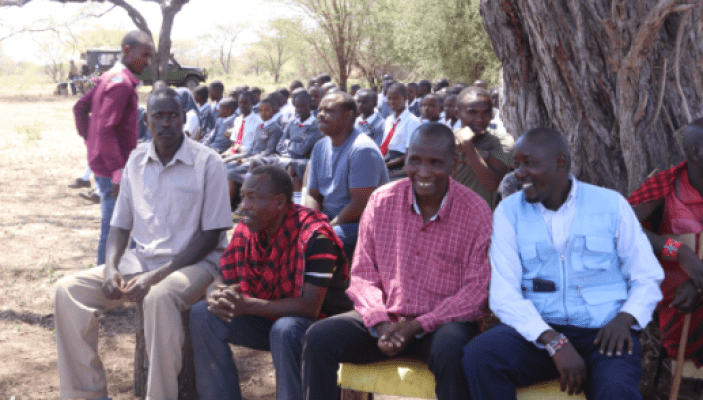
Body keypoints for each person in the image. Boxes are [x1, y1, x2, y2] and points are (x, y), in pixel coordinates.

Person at [55, 87, 233, 400]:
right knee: (68, 291)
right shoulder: (136, 161)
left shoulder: (208, 163)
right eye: (158, 116)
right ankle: (85, 394)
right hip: (141, 260)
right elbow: (120, 225)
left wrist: (157, 276)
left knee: (158, 298)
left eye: (173, 115)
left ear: (182, 119)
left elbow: (211, 235)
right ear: (147, 121)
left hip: (195, 264)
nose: (166, 122)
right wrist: (111, 267)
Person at [462, 127, 664, 400]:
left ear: (562, 162)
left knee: (616, 388)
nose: (518, 173)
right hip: (539, 332)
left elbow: (647, 277)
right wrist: (552, 340)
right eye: (517, 164)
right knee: (481, 354)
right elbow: (503, 293)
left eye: (529, 163)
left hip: (605, 334)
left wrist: (624, 319)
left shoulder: (610, 205)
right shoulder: (509, 212)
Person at [302, 123, 491, 400]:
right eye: (415, 160)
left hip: (442, 325)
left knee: (452, 348)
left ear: (456, 164)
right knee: (319, 338)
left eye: (436, 163)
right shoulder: (382, 200)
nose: (423, 172)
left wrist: (418, 324)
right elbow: (363, 274)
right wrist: (381, 324)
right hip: (387, 318)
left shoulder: (475, 211)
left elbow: (477, 292)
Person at [189, 165, 352, 400]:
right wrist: (215, 292)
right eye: (243, 196)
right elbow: (223, 276)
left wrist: (247, 305)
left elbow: (310, 307)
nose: (244, 205)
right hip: (270, 318)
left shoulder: (315, 237)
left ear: (279, 202)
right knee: (203, 313)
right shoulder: (247, 230)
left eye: (252, 198)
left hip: (320, 328)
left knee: (286, 329)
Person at [73, 30, 154, 266]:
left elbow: (80, 108)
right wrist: (118, 172)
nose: (147, 62)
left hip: (107, 164)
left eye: (150, 57)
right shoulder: (121, 84)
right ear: (127, 51)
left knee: (121, 226)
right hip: (114, 169)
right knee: (114, 230)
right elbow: (107, 128)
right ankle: (105, 283)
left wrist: (91, 140)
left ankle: (117, 277)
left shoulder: (110, 77)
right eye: (144, 55)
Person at [628, 119, 703, 367]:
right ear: (695, 151)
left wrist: (699, 285)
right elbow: (621, 227)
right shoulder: (667, 186)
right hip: (679, 301)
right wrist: (677, 250)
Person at [304, 92, 389, 259]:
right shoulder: (320, 146)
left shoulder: (362, 149)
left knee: (319, 240)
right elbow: (312, 194)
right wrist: (311, 223)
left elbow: (360, 205)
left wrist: (325, 227)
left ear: (349, 116)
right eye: (320, 110)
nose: (321, 115)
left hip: (359, 223)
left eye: (329, 111)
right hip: (328, 219)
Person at [454, 86, 514, 209]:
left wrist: (468, 146)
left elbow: (491, 184)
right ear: (458, 113)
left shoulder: (501, 141)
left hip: (481, 218)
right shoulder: (446, 139)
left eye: (486, 112)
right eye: (472, 112)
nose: (480, 119)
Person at [250, 92, 323, 191]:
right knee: (256, 161)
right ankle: (251, 191)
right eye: (297, 107)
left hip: (301, 160)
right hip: (284, 157)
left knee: (291, 167)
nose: (299, 110)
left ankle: (285, 197)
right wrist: (291, 146)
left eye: (303, 106)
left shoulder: (314, 125)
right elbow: (279, 145)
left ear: (310, 106)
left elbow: (302, 150)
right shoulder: (292, 123)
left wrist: (288, 143)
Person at [225, 98, 284, 204]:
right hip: (251, 158)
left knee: (231, 173)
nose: (263, 113)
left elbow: (269, 151)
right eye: (261, 110)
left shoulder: (275, 128)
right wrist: (238, 158)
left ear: (273, 111)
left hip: (262, 162)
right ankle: (230, 202)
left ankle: (232, 204)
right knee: (226, 167)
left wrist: (246, 160)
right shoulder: (260, 127)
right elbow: (252, 148)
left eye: (267, 110)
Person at [381, 83, 421, 179]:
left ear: (405, 98)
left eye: (395, 99)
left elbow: (410, 155)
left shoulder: (412, 121)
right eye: (389, 99)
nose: (392, 102)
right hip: (388, 159)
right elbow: (385, 147)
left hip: (403, 164)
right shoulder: (389, 120)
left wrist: (385, 166)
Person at [225, 91, 263, 156]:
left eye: (245, 103)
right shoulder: (237, 120)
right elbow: (234, 142)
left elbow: (257, 147)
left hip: (249, 155)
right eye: (240, 103)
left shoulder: (258, 122)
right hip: (235, 153)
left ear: (252, 103)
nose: (242, 105)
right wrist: (226, 154)